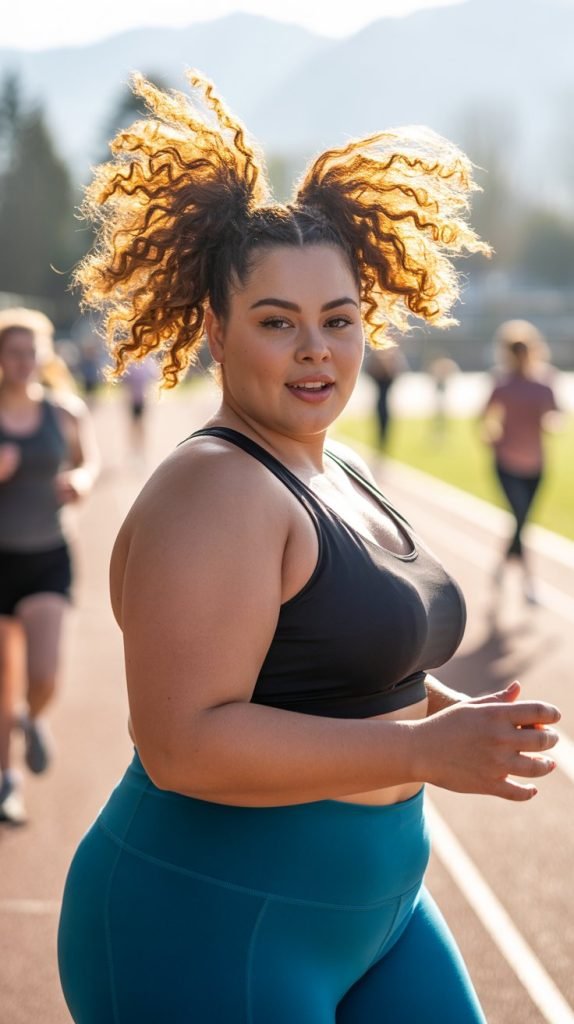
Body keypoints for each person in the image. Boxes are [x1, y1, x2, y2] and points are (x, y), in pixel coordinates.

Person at [57, 72, 561, 1023]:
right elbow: (183, 746)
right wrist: (425, 747)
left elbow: (329, 664)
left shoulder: (328, 466)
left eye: (337, 320)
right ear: (214, 329)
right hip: (204, 922)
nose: (315, 351)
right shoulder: (216, 488)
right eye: (277, 323)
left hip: (378, 913)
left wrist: (454, 715)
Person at [0, 308, 99, 824]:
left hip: (46, 557)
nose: (21, 361)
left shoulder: (63, 412)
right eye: (11, 352)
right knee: (1, 678)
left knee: (44, 673)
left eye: (29, 351)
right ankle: (5, 782)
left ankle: (31, 715)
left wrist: (80, 481)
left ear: (43, 356)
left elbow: (87, 459)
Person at [481, 320, 560, 603]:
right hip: (506, 463)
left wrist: (552, 423)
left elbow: (556, 414)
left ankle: (501, 568)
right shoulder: (501, 383)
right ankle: (528, 582)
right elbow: (484, 416)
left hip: (537, 463)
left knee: (521, 522)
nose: (521, 355)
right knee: (520, 519)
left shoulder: (544, 382)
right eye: (515, 350)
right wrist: (489, 435)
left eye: (524, 349)